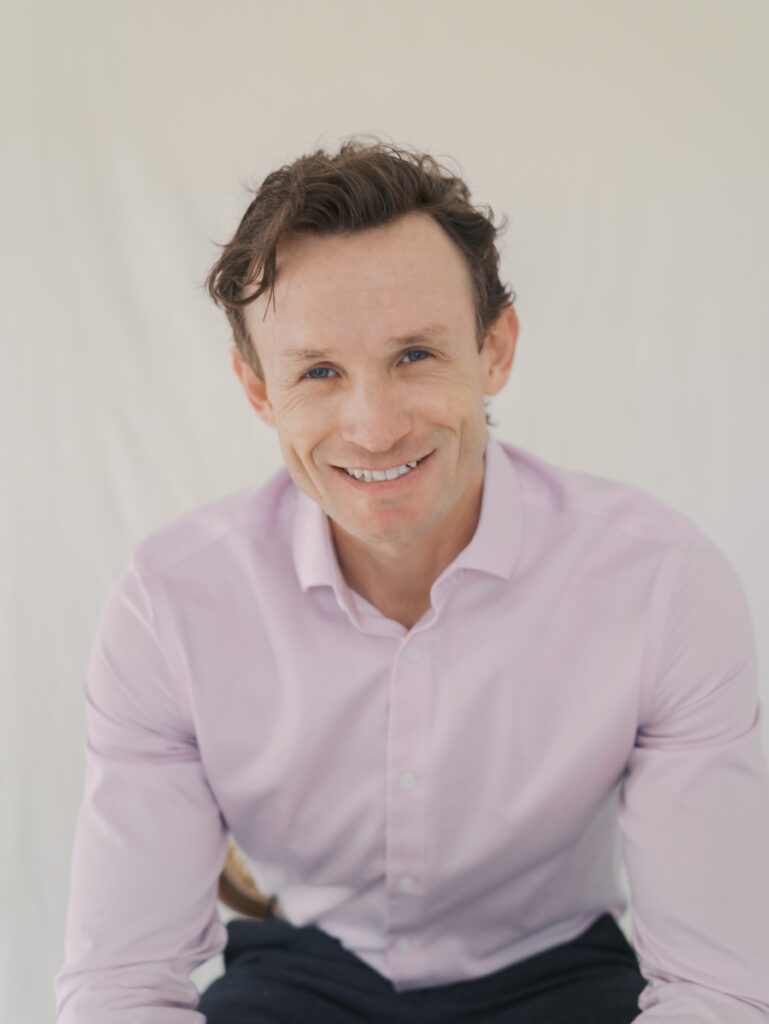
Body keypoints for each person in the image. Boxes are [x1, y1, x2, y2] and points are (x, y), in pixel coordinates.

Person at [55, 138, 769, 1023]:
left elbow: (713, 989)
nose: (374, 425)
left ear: (494, 349)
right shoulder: (170, 606)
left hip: (556, 971)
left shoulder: (661, 586)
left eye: (415, 357)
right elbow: (122, 985)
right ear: (257, 389)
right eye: (318, 371)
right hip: (303, 967)